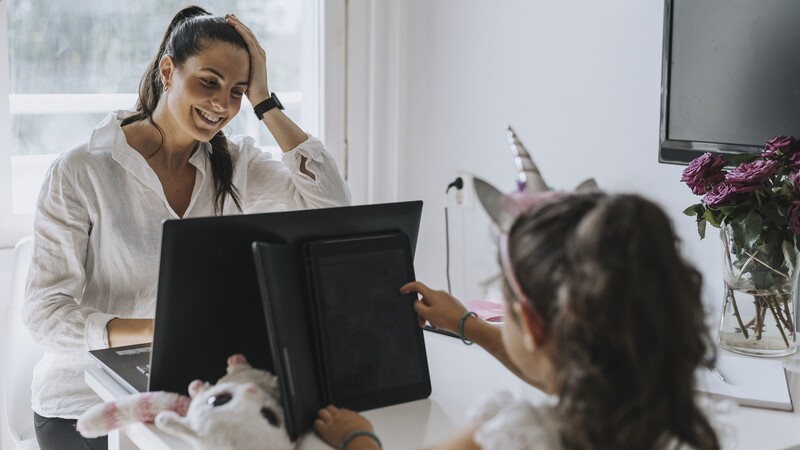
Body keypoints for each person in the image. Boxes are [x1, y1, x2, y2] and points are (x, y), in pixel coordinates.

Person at [22, 6, 350, 450]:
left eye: (237, 92)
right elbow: (44, 316)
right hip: (83, 406)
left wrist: (265, 101)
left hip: (190, 399)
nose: (222, 105)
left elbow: (330, 206)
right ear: (167, 70)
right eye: (209, 81)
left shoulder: (233, 165)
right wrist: (157, 328)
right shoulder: (82, 170)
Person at [314, 193, 723, 450]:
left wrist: (358, 439)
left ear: (529, 322)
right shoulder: (680, 424)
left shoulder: (514, 436)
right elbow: (575, 374)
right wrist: (468, 324)